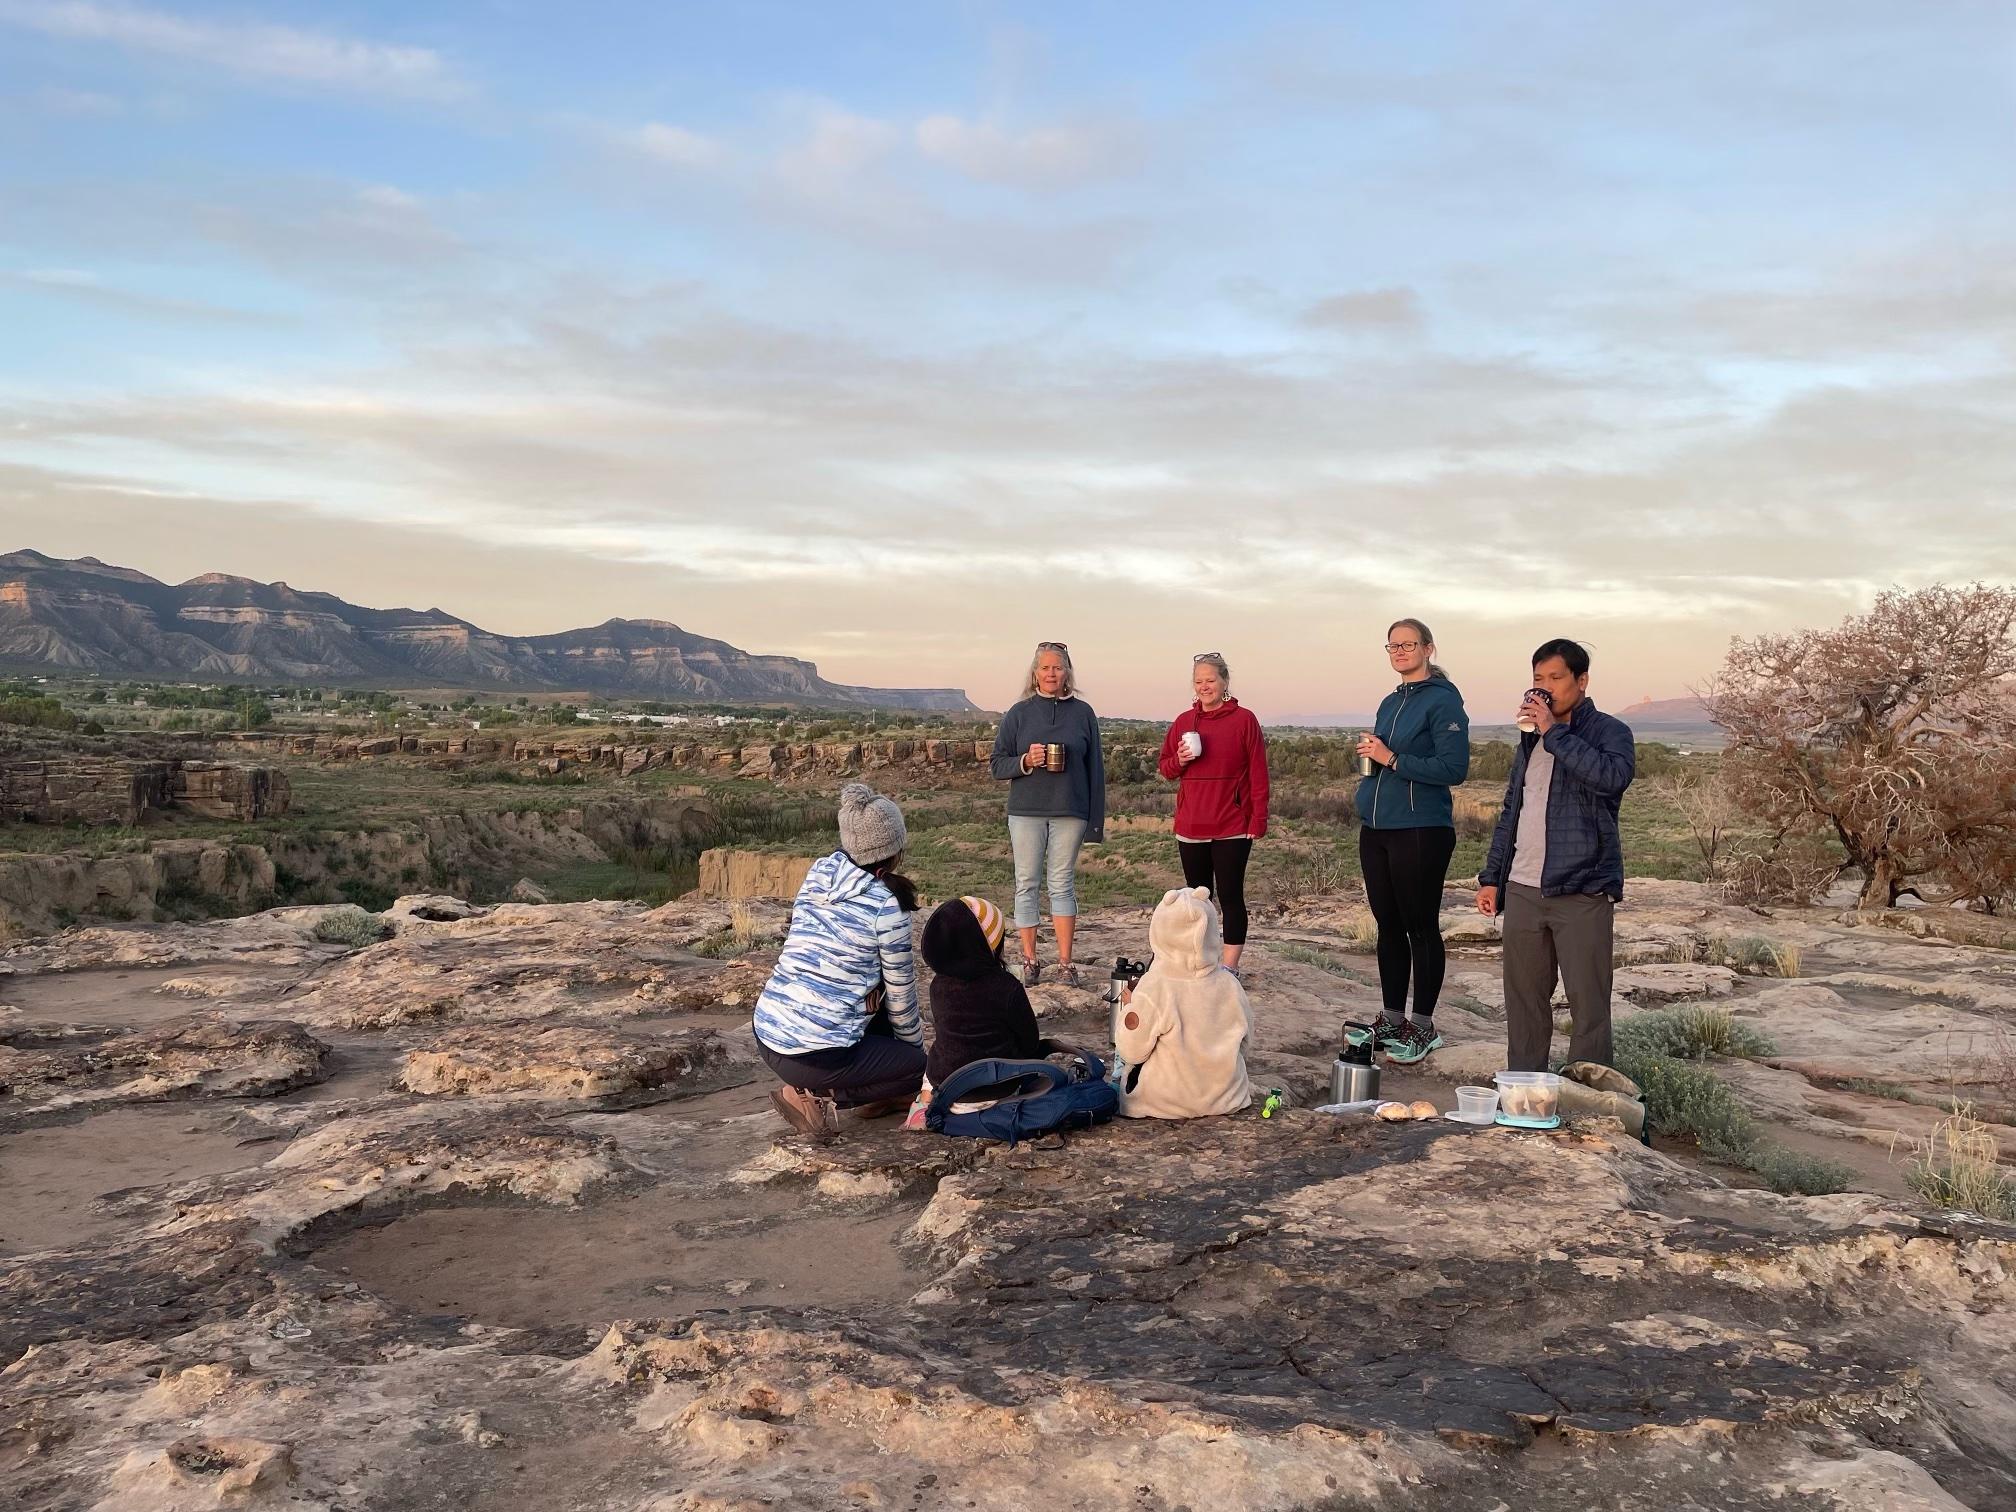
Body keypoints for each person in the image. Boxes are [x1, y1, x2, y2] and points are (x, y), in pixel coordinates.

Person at [1476, 638, 1636, 1072]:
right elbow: (1514, 807)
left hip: (1583, 889)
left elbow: (1610, 779)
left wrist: (1554, 732)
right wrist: (1492, 876)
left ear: (1581, 681)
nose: (1544, 687)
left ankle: (1588, 1102)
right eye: (1537, 679)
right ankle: (1524, 1093)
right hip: (1524, 889)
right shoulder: (1529, 742)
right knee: (1525, 1001)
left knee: (1588, 1005)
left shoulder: (1610, 732)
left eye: (1555, 678)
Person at [752, 782, 924, 1135]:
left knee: (878, 1009)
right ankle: (809, 1095)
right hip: (815, 1055)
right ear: (894, 849)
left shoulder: (820, 873)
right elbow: (903, 1001)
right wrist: (915, 1070)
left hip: (768, 1033)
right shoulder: (885, 907)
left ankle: (881, 1093)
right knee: (921, 1067)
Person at [1350, 619, 1470, 1064]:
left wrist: (1392, 758)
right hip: (1378, 827)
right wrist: (1376, 762)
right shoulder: (1390, 701)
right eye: (1393, 645)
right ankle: (1391, 1017)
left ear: (1428, 649)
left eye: (1408, 644)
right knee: (1388, 925)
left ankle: (1423, 1025)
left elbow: (1453, 768)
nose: (1400, 651)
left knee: (1420, 927)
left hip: (1421, 828)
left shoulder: (1444, 702)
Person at [988, 641, 1106, 987]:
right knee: (1026, 883)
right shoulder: (1019, 713)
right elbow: (997, 764)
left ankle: (1066, 964)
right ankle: (1029, 961)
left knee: (1061, 883)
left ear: (1067, 671)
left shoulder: (1083, 713)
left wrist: (1095, 823)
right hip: (1026, 811)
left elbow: (1095, 771)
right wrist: (1025, 761)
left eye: (1057, 667)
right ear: (1035, 672)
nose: (1051, 673)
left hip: (1071, 810)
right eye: (1045, 667)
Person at [1157, 652, 1269, 974]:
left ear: (1224, 682)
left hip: (1233, 824)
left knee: (1231, 896)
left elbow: (1258, 774)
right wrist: (1180, 760)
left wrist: (1257, 818)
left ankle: (1230, 968)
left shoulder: (1244, 720)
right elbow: (1166, 769)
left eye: (1210, 680)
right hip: (1191, 825)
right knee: (1198, 901)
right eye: (1198, 681)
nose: (1204, 686)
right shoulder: (1183, 722)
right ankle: (1202, 963)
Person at [1115, 887, 1254, 1119]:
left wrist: (1130, 1008)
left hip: (1163, 1103)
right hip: (1227, 1099)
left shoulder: (1154, 986)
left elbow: (1132, 1051)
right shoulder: (1230, 985)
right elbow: (1246, 1043)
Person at [921, 894, 1045, 1088]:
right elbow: (1030, 1042)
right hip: (998, 1088)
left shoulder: (937, 985)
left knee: (933, 1064)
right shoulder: (1007, 987)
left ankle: (923, 1103)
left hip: (947, 1084)